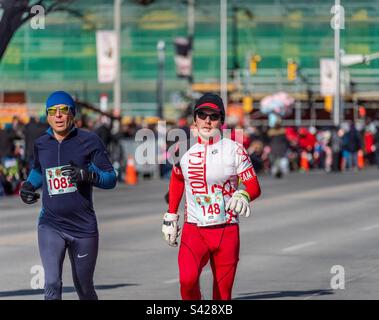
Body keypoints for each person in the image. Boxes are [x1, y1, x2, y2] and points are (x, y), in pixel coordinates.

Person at [161, 93, 261, 300]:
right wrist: (171, 215)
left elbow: (253, 185)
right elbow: (178, 179)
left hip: (226, 229)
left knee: (222, 295)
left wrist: (243, 194)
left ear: (222, 121)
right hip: (194, 229)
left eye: (213, 116)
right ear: (194, 119)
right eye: (202, 114)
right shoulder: (183, 149)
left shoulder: (235, 150)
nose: (207, 121)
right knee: (187, 282)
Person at [19, 91, 117, 300]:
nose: (58, 116)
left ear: (72, 114)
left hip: (83, 227)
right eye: (53, 111)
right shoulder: (41, 143)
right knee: (52, 283)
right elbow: (38, 170)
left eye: (64, 110)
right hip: (51, 224)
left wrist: (87, 175)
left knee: (84, 288)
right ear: (47, 116)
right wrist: (28, 185)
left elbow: (110, 178)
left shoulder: (89, 140)